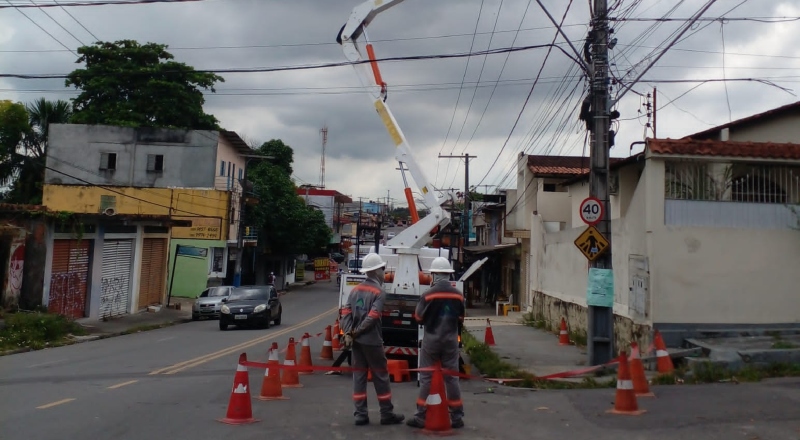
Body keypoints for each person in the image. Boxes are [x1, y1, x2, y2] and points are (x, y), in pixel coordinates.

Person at [340, 253, 405, 426]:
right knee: (381, 377)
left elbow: (345, 313)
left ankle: (360, 415)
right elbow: (373, 317)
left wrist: (349, 333)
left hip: (357, 343)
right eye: (382, 269)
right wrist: (355, 332)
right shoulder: (379, 292)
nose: (384, 272)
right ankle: (386, 414)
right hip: (372, 341)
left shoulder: (355, 291)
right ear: (377, 271)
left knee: (359, 377)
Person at [406, 256, 466, 429]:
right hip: (450, 341)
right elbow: (461, 318)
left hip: (431, 341)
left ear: (434, 275)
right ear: (448, 275)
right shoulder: (458, 296)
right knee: (452, 379)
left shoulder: (428, 295)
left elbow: (418, 317)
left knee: (425, 378)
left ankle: (420, 417)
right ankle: (456, 417)